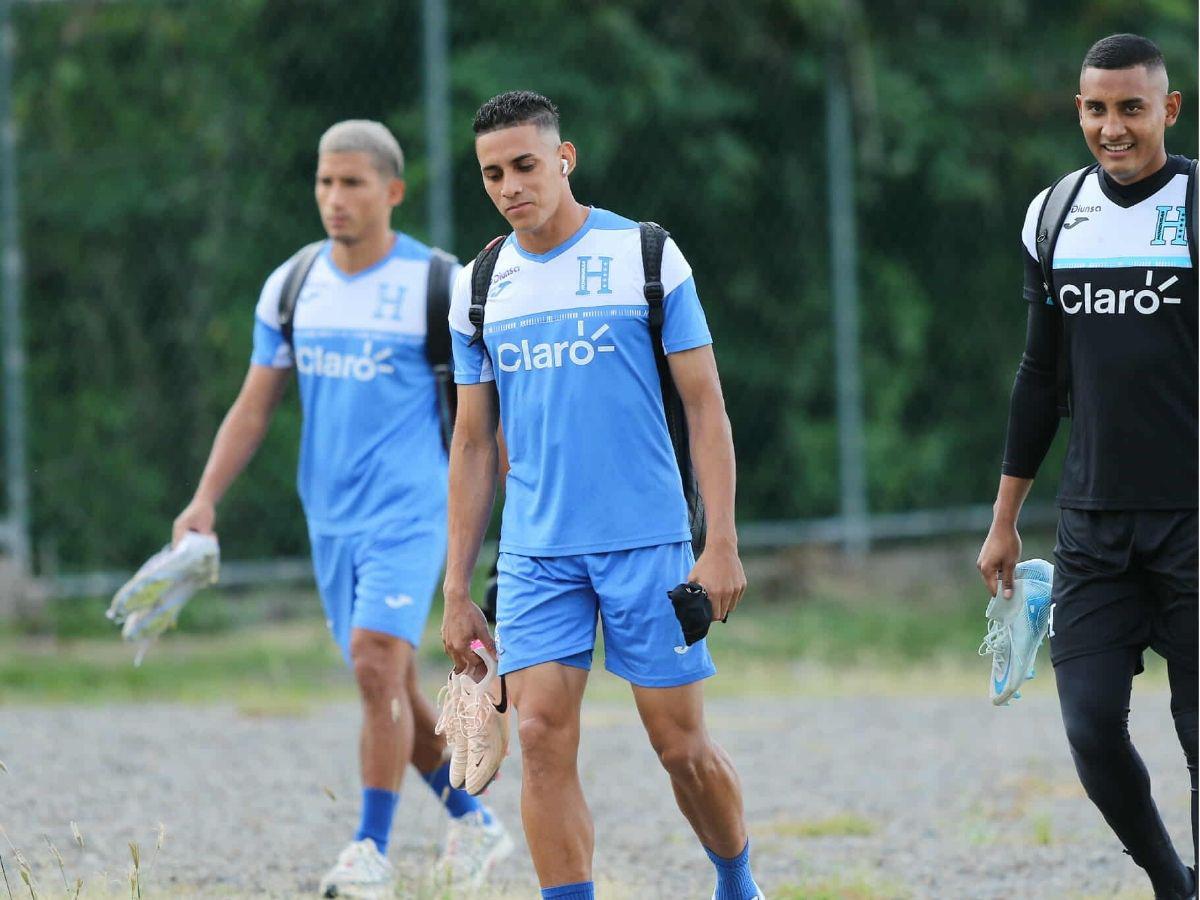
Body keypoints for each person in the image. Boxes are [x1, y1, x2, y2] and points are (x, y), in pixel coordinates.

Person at [172, 120, 512, 898]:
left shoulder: (439, 283)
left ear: (391, 191)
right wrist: (203, 500)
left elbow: (486, 410)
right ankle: (474, 822)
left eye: (353, 183)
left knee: (374, 664)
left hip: (412, 506)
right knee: (387, 684)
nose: (335, 197)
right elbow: (254, 406)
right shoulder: (294, 283)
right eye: (325, 182)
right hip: (329, 517)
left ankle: (369, 853)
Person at [442, 90, 763, 900]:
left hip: (648, 543)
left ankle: (736, 881)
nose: (511, 185)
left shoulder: (646, 256)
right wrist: (455, 588)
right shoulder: (480, 285)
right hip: (537, 554)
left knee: (681, 747)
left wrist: (718, 541)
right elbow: (474, 442)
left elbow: (705, 406)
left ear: (564, 157)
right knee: (543, 740)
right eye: (492, 174)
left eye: (524, 164)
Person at [977, 34, 1196, 899]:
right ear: (1078, 110)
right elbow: (1041, 377)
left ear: (1168, 110)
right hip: (1095, 524)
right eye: (1096, 109)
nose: (1113, 127)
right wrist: (1003, 518)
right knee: (1093, 727)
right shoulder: (1055, 212)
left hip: (1193, 518)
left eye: (1131, 108)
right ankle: (1172, 884)